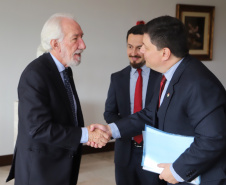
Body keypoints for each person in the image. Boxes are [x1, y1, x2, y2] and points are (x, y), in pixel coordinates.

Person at [89, 15, 226, 185]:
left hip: (199, 177)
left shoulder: (198, 84)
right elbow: (149, 114)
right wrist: (110, 130)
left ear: (165, 53)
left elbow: (213, 138)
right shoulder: (170, 75)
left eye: (145, 47)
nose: (140, 52)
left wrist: (177, 170)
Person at [6, 13, 109, 185]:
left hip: (63, 163)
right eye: (75, 38)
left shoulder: (65, 70)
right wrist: (85, 134)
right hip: (42, 171)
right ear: (55, 44)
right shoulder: (35, 74)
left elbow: (65, 115)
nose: (83, 45)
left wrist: (86, 132)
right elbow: (39, 129)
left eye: (82, 37)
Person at [104, 24, 164, 185]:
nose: (133, 53)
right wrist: (126, 129)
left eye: (139, 48)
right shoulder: (117, 78)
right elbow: (109, 113)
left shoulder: (162, 77)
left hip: (154, 153)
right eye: (130, 47)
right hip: (124, 152)